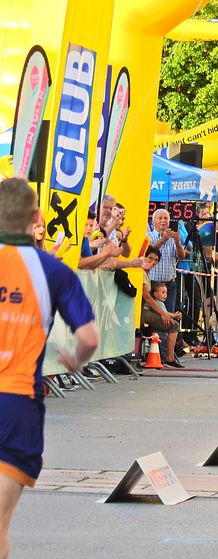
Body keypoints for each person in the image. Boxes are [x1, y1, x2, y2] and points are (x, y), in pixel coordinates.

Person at [0, 178, 99, 559]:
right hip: (15, 400)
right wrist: (75, 358)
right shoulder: (53, 271)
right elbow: (89, 338)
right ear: (37, 217)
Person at [147, 209, 186, 314]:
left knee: (169, 315)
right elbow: (148, 252)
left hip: (169, 285)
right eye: (160, 218)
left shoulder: (173, 238)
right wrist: (163, 240)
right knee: (153, 315)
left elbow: (181, 257)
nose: (163, 221)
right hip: (152, 283)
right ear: (153, 221)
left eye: (166, 218)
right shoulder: (149, 236)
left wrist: (177, 242)